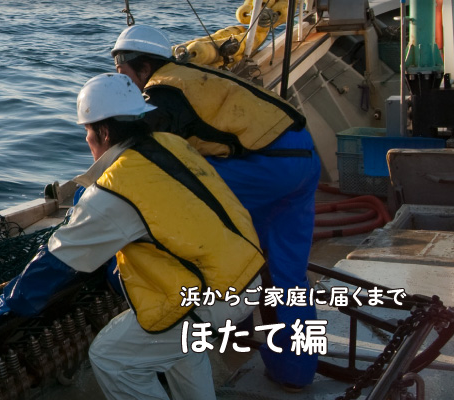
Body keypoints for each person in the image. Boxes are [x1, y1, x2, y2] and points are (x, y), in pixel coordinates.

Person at [0, 73, 265, 400]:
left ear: (104, 132)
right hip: (248, 275)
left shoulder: (115, 190)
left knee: (112, 357)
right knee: (181, 346)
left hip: (213, 296)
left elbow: (56, 261)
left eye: (87, 132)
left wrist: (6, 307)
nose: (87, 140)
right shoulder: (172, 145)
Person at [110, 24, 322, 391]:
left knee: (191, 224)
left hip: (264, 168)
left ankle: (214, 329)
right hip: (304, 159)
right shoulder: (193, 75)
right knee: (287, 276)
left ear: (141, 66)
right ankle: (295, 373)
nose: (118, 75)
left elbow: (140, 157)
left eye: (120, 67)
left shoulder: (161, 90)